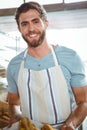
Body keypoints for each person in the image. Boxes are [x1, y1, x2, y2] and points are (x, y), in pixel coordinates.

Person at [6, 1, 87, 130]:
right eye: (25, 24)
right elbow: (13, 103)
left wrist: (71, 124)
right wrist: (16, 119)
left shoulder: (71, 58)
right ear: (19, 29)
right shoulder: (14, 65)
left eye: (36, 21)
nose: (31, 29)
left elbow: (83, 102)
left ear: (46, 23)